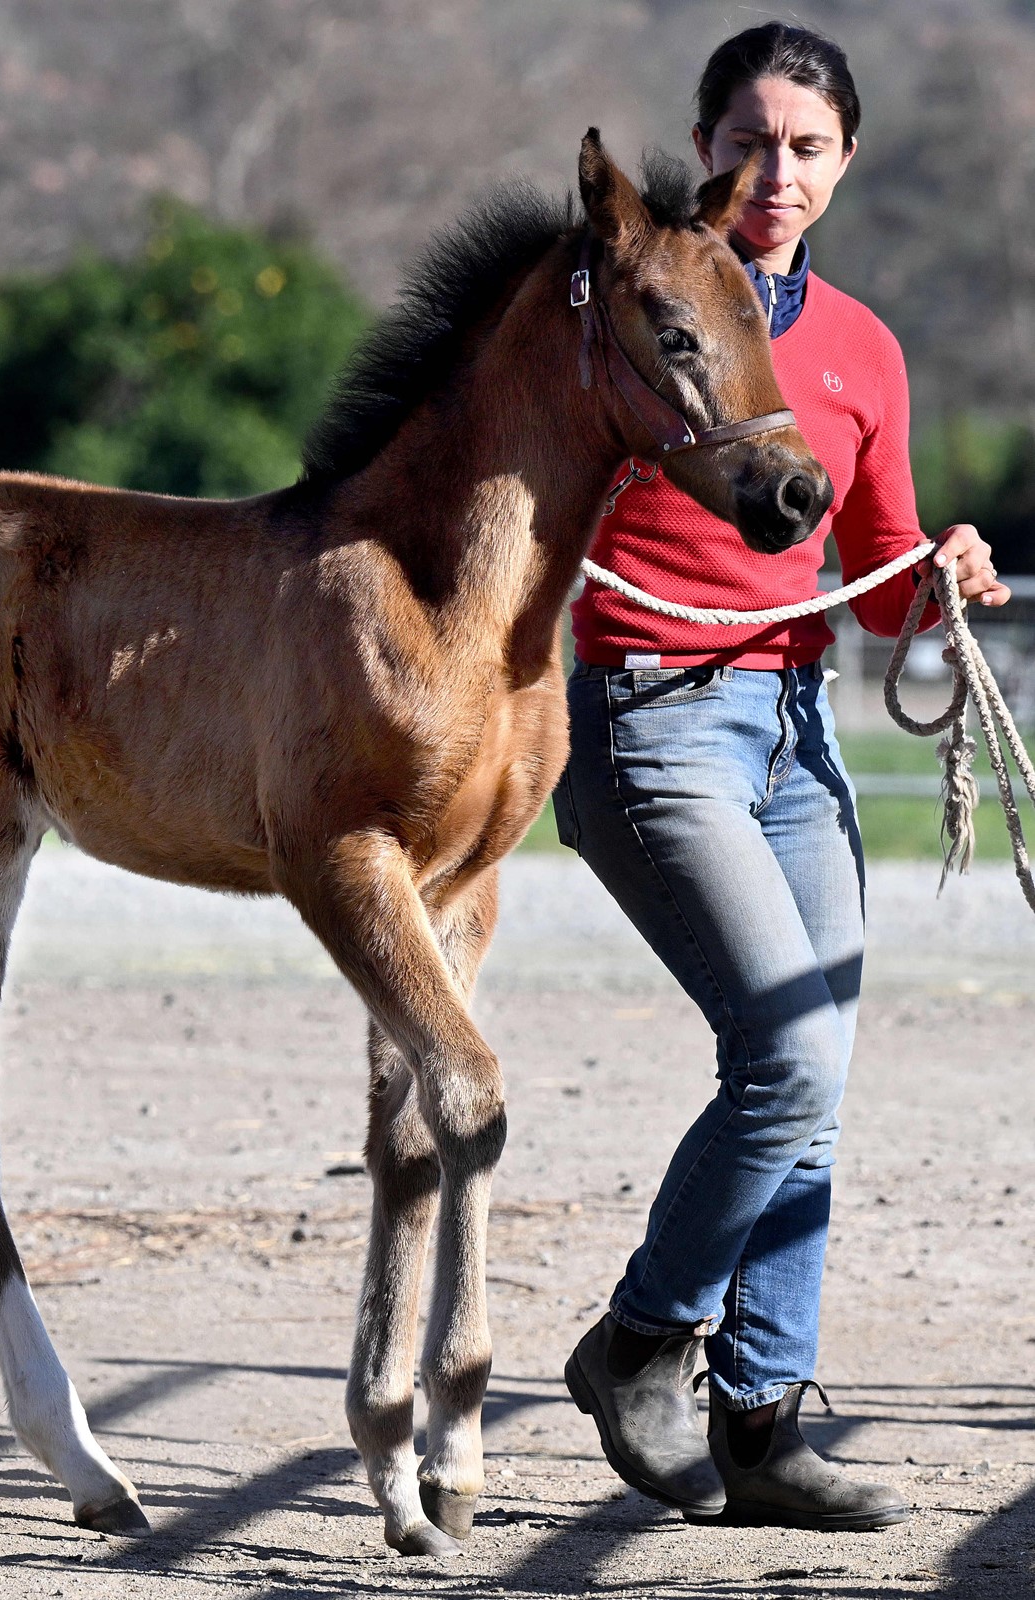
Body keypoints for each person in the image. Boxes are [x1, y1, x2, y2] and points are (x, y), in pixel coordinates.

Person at [556, 22, 1010, 1531]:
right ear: (702, 149)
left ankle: (757, 1418)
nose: (776, 173)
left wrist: (937, 568)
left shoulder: (864, 348)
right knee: (790, 1056)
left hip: (795, 732)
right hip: (650, 720)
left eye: (807, 146)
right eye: (748, 142)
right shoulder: (632, 311)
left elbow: (870, 585)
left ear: (844, 163)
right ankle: (637, 1345)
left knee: (809, 1083)